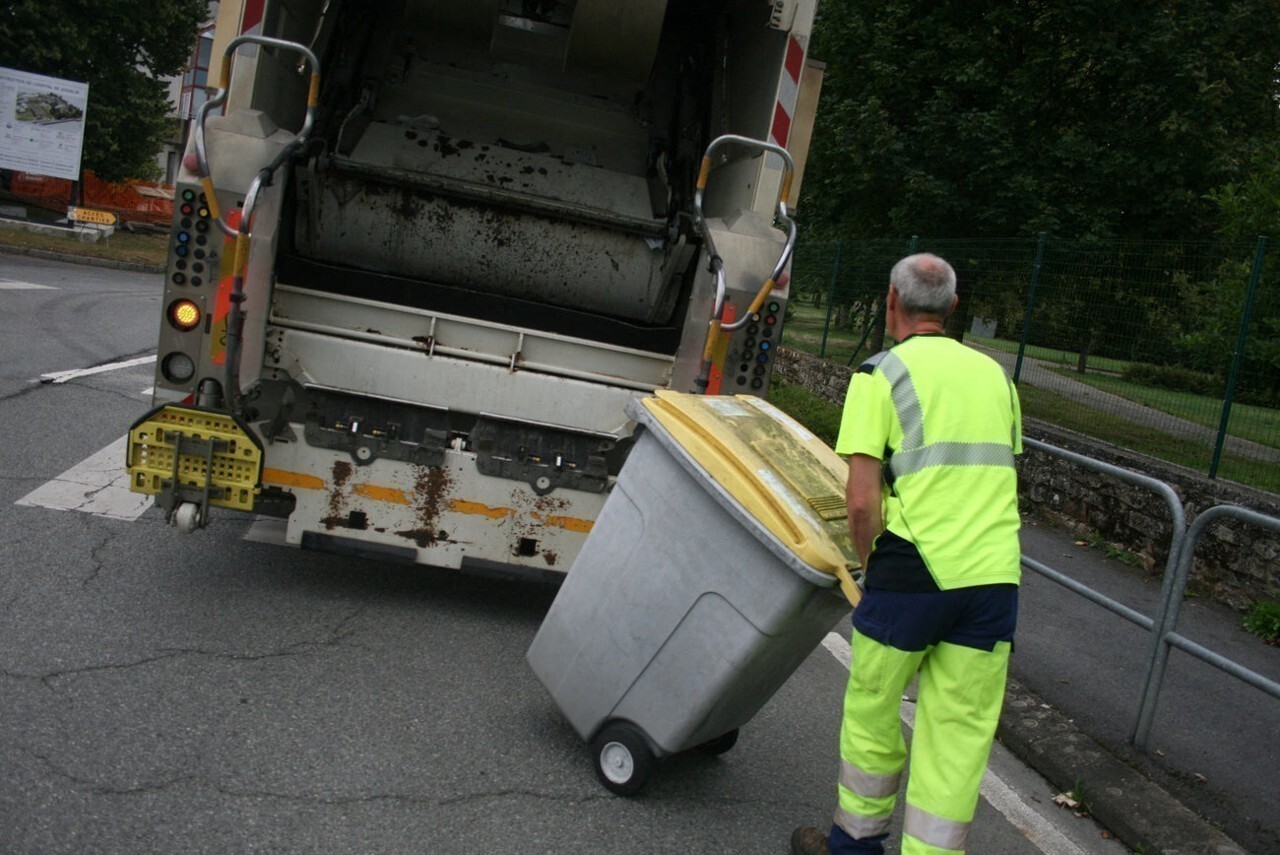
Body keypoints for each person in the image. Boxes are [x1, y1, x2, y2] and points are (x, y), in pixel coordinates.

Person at [792, 253, 1023, 855]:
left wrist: (870, 568)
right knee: (959, 737)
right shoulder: (996, 377)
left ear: (891, 301)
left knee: (873, 711)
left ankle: (854, 847)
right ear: (951, 307)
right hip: (995, 579)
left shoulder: (880, 373)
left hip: (913, 571)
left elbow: (863, 500)